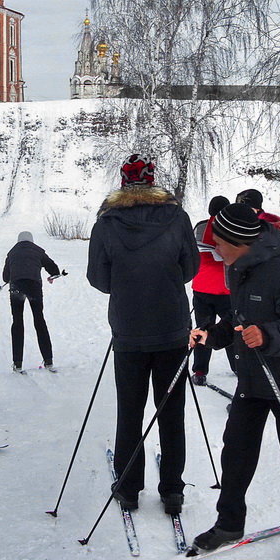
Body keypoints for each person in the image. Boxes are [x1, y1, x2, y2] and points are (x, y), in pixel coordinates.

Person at [189, 203, 280, 560]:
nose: (215, 250)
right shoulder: (238, 270)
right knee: (236, 451)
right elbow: (238, 316)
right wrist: (212, 335)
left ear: (239, 242)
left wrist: (267, 334)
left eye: (219, 243)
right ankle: (229, 522)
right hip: (252, 377)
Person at [87, 154, 199, 515]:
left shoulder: (107, 222)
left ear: (123, 182)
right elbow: (190, 268)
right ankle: (172, 490)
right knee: (171, 412)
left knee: (130, 411)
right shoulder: (177, 218)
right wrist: (162, 281)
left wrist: (126, 285)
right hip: (170, 329)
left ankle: (130, 486)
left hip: (130, 330)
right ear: (152, 182)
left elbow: (97, 277)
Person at [190, 195, 236, 386]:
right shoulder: (231, 227)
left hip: (201, 287)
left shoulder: (200, 227)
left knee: (203, 328)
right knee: (231, 328)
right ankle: (238, 367)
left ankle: (200, 371)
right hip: (226, 290)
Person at [2, 231, 61, 372]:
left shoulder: (12, 253)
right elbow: (53, 267)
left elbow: (5, 277)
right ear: (31, 241)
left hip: (16, 286)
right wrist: (52, 276)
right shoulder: (38, 251)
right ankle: (48, 361)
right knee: (39, 320)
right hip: (34, 286)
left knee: (17, 322)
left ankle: (17, 363)